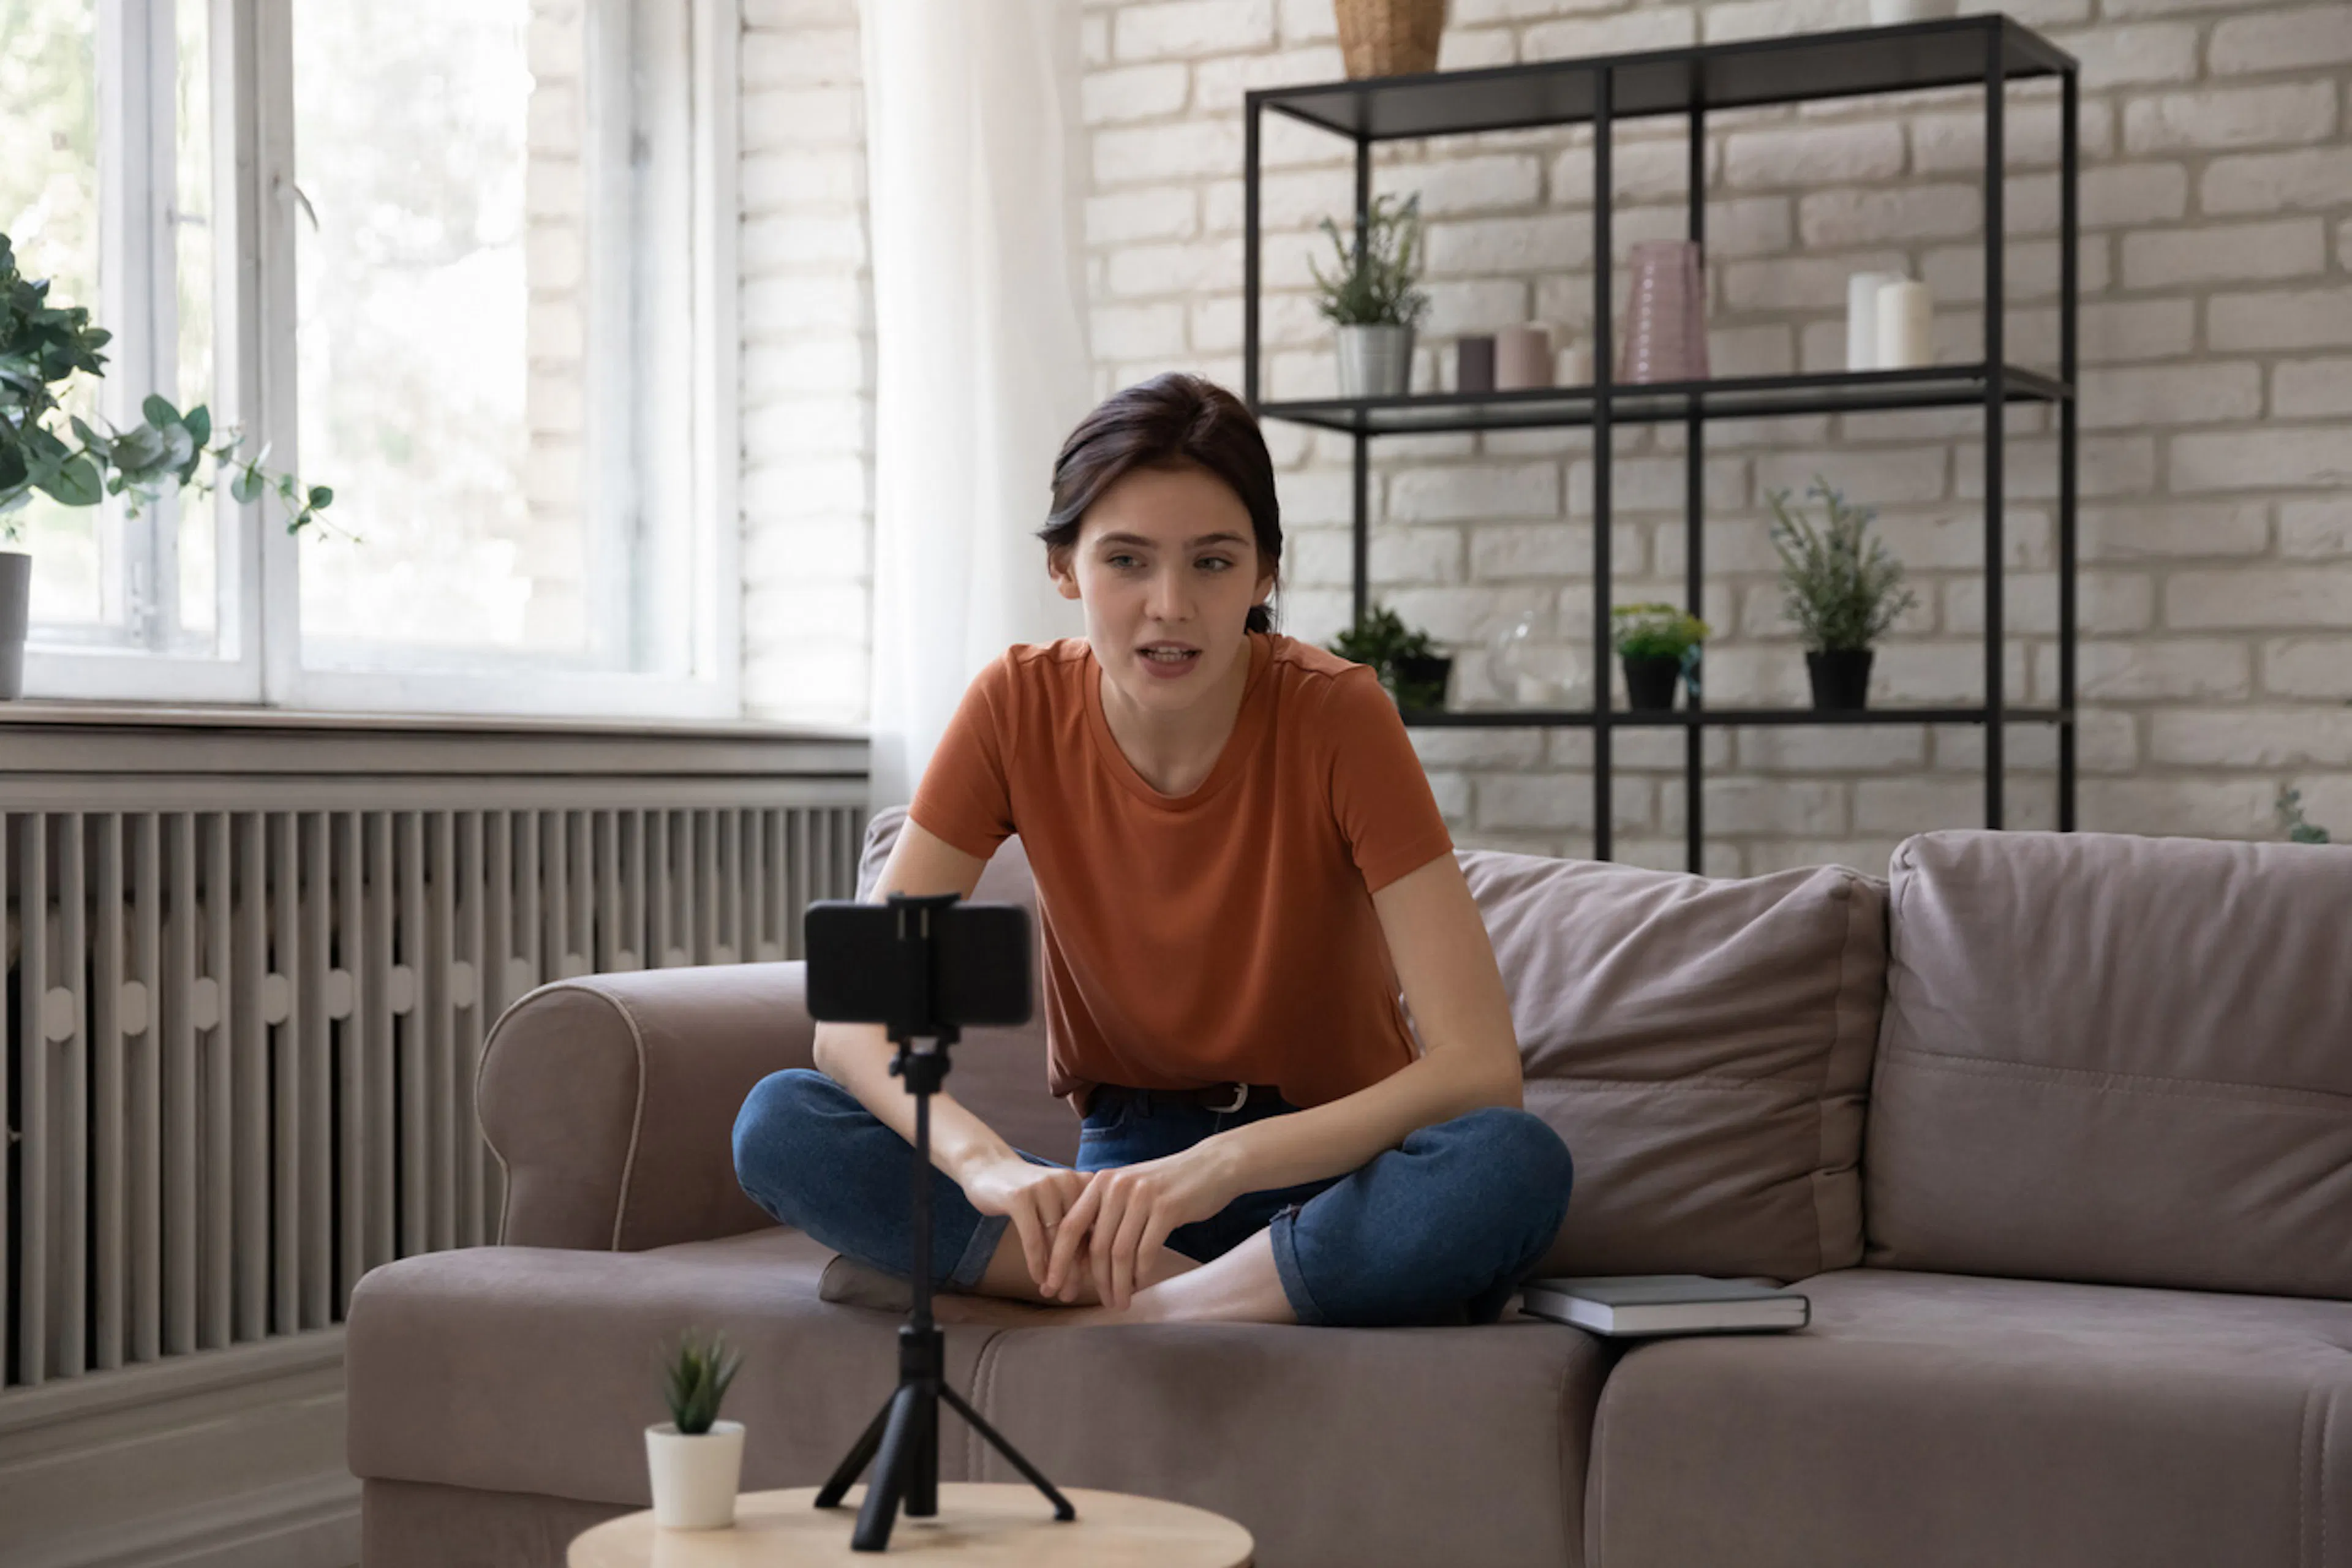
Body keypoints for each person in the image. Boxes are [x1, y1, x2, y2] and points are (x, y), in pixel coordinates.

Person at [731, 372, 1572, 1329]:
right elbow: (850, 1027)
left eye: (1212, 564)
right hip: (1123, 1183)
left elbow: (1478, 1067)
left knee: (1511, 1163)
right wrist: (987, 1167)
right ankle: (1219, 1296)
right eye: (1126, 561)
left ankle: (1115, 1308)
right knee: (782, 1122)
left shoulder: (1340, 714)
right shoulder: (1012, 707)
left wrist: (1221, 1166)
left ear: (1264, 575)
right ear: (1064, 567)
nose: (1169, 605)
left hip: (1335, 1174)